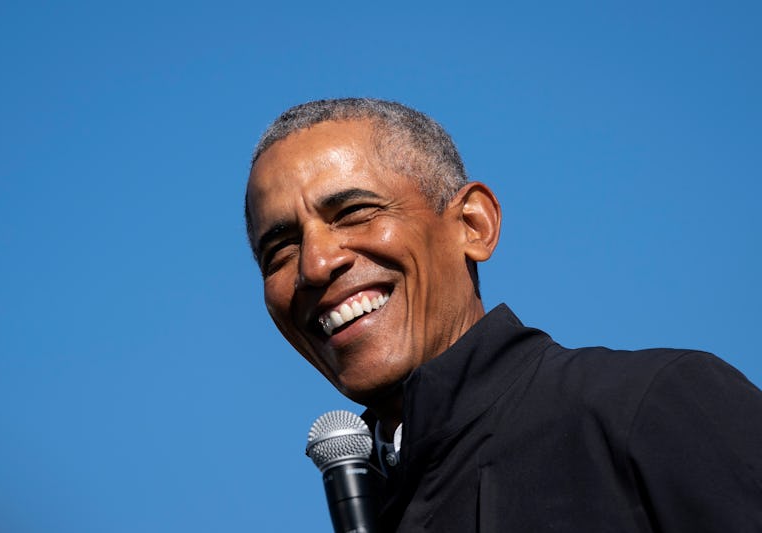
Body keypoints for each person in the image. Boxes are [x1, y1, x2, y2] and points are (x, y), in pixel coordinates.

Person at [244, 98, 762, 532]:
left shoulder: (648, 408)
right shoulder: (374, 501)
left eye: (355, 212)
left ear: (473, 224)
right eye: (280, 251)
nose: (314, 265)